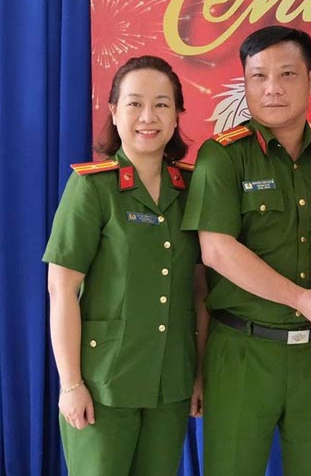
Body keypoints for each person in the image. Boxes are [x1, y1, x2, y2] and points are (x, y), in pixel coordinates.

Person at [182, 25, 311, 476]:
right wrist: (301, 298)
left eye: (287, 74)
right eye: (258, 77)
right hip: (243, 352)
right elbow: (217, 251)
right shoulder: (223, 157)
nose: (272, 88)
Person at [44, 56, 206, 476]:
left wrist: (199, 372)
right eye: (134, 104)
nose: (148, 117)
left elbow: (200, 290)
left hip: (170, 382)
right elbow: (61, 289)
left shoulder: (191, 189)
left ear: (177, 116)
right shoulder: (92, 187)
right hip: (103, 385)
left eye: (162, 105)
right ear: (114, 111)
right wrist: (71, 384)